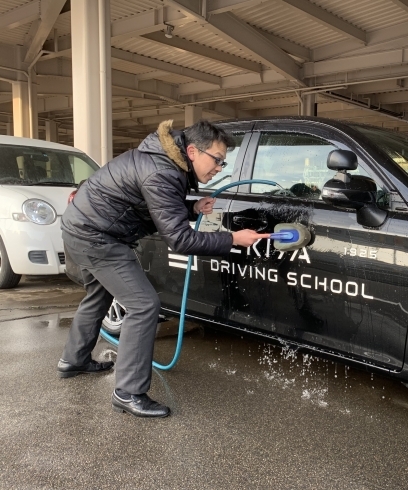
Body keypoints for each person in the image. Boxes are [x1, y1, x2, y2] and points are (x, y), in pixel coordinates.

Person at [58, 119, 269, 418]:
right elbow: (180, 239)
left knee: (99, 296)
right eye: (218, 160)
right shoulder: (162, 170)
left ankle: (73, 361)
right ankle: (128, 392)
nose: (219, 168)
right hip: (98, 237)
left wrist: (191, 208)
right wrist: (233, 238)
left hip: (83, 227)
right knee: (143, 305)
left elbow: (153, 203)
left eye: (223, 163)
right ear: (193, 151)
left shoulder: (163, 161)